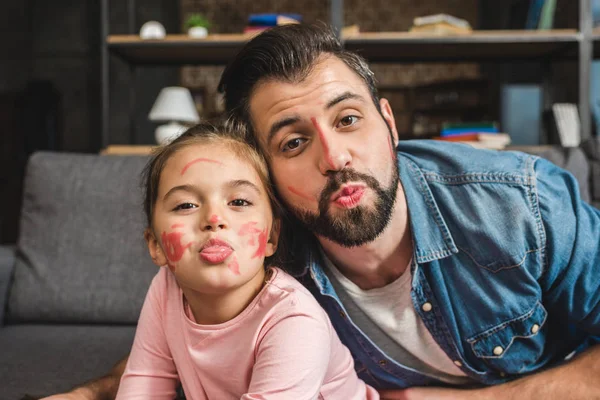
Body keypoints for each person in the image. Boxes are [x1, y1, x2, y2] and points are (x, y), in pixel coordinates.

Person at [43, 23, 599, 400]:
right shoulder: (263, 246)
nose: (334, 158)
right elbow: (189, 345)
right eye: (292, 143)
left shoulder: (519, 205)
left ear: (389, 121)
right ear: (264, 179)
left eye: (349, 120)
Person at [113, 121, 378, 399]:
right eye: (186, 205)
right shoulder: (166, 288)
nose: (214, 219)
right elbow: (144, 383)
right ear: (156, 246)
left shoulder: (295, 321)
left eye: (239, 202)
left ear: (271, 237)